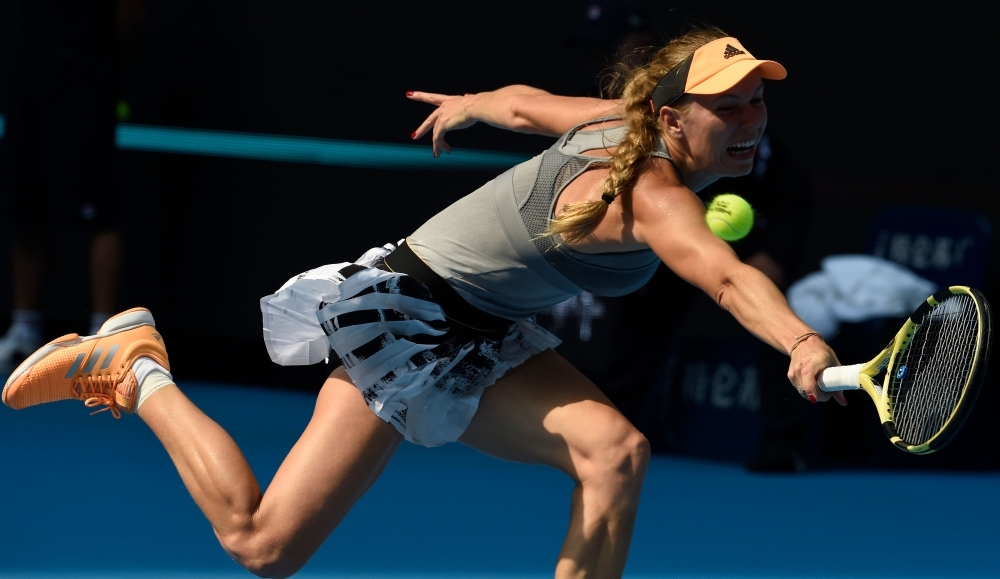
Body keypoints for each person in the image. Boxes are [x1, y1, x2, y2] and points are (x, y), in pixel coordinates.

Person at [2, 28, 847, 579]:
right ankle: (136, 367)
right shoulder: (660, 199)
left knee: (614, 452)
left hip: (486, 326)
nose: (750, 121)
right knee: (259, 543)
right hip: (410, 314)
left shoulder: (628, 123)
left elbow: (521, 103)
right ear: (668, 117)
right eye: (726, 106)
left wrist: (469, 107)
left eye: (756, 100)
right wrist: (802, 340)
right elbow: (728, 277)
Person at [0, 0, 134, 374]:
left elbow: (129, 10)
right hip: (30, 81)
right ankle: (24, 330)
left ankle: (104, 339)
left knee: (101, 212)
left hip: (88, 81)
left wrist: (106, 62)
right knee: (27, 207)